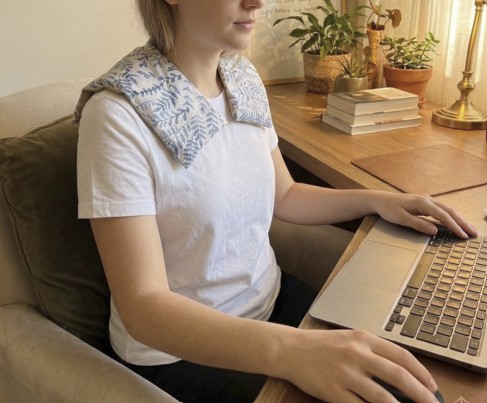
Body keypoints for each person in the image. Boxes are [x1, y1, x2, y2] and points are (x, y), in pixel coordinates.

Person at [74, 1, 478, 402]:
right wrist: (294, 352)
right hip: (179, 353)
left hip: (271, 304)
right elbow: (144, 308)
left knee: (423, 382)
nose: (258, 2)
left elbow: (284, 195)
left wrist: (380, 201)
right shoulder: (117, 115)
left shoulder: (241, 77)